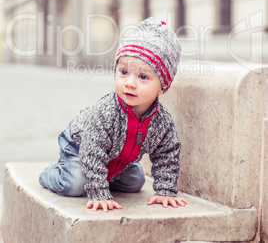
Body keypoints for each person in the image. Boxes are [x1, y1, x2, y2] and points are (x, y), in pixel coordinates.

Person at [39, 17, 188, 212]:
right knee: (75, 184)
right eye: (124, 72)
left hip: (117, 158)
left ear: (163, 86)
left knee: (136, 182)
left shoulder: (162, 121)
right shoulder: (107, 112)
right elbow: (92, 151)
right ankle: (52, 173)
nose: (130, 83)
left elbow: (167, 153)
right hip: (79, 145)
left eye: (143, 77)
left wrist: (165, 190)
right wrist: (100, 193)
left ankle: (107, 175)